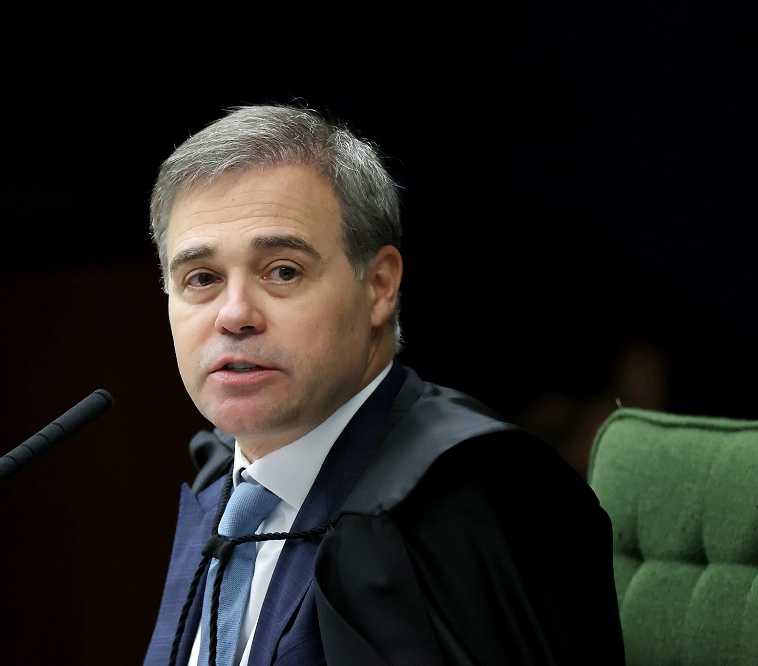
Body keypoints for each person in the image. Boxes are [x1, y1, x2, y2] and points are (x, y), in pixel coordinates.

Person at [143, 103, 626, 665]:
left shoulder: (467, 499)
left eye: (283, 271)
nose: (235, 315)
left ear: (379, 286)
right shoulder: (222, 484)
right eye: (201, 278)